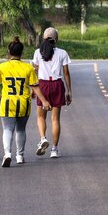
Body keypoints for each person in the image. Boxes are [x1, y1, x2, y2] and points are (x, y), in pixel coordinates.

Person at [0, 36, 51, 167]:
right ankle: (20, 156)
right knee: (20, 130)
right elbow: (35, 86)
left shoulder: (2, 67)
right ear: (21, 52)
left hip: (8, 103)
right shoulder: (28, 68)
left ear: (9, 52)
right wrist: (44, 101)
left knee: (7, 129)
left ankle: (7, 153)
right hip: (23, 103)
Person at [32, 27, 72, 158]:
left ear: (43, 38)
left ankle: (43, 138)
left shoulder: (38, 52)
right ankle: (54, 149)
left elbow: (35, 71)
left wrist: (33, 89)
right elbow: (66, 73)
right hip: (57, 85)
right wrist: (69, 91)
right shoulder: (62, 53)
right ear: (56, 39)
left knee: (40, 116)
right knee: (55, 119)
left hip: (42, 86)